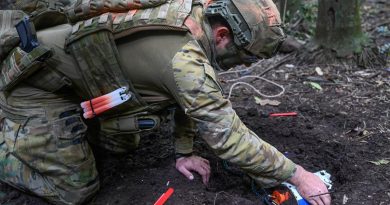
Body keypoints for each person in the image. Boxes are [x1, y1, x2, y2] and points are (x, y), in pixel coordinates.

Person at [0, 0, 331, 205]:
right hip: (36, 86)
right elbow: (228, 138)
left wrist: (183, 152)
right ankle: (10, 142)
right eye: (244, 58)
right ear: (222, 36)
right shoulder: (185, 62)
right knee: (75, 191)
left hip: (79, 82)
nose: (242, 66)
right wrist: (300, 176)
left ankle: (65, 133)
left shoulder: (195, 14)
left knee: (123, 142)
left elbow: (184, 98)